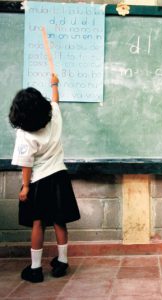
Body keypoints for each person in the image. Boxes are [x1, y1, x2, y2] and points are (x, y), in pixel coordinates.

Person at [8, 74, 80, 283]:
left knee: (38, 223)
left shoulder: (24, 133)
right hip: (59, 177)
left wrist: (25, 187)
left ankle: (36, 268)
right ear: (41, 105)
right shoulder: (54, 116)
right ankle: (62, 263)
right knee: (59, 221)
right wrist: (54, 84)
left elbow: (26, 163)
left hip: (38, 181)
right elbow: (55, 100)